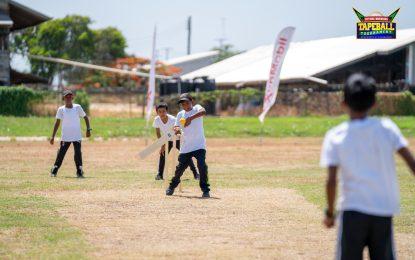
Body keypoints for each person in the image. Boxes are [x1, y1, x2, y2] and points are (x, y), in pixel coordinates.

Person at [320, 73, 415, 259]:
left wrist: (330, 213)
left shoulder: (335, 136)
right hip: (383, 210)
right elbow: (412, 164)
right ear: (374, 104)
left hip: (352, 211)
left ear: (343, 103)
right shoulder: (387, 128)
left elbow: (331, 180)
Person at [166, 93, 210, 198]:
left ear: (192, 101)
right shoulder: (180, 114)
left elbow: (203, 112)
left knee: (202, 166)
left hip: (199, 145)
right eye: (182, 103)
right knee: (179, 169)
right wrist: (177, 130)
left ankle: (205, 190)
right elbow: (176, 126)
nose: (185, 105)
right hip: (186, 147)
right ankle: (172, 186)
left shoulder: (197, 108)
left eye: (187, 102)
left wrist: (190, 118)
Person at [50, 90, 92, 178]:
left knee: (78, 153)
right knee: (61, 153)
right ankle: (55, 168)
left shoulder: (77, 107)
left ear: (72, 98)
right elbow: (57, 123)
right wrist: (53, 136)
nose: (68, 98)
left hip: (76, 136)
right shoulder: (61, 109)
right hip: (65, 136)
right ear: (63, 98)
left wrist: (88, 129)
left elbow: (85, 117)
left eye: (70, 96)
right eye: (66, 97)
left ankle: (79, 170)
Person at [152, 102, 199, 180]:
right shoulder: (157, 120)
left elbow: (179, 130)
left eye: (163, 111)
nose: (162, 113)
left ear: (166, 111)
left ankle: (196, 174)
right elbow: (157, 132)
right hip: (167, 139)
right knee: (162, 154)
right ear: (157, 112)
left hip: (178, 139)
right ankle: (159, 174)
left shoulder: (173, 120)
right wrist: (162, 144)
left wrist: (181, 138)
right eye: (159, 112)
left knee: (186, 155)